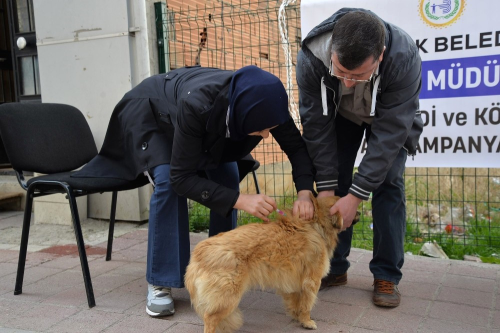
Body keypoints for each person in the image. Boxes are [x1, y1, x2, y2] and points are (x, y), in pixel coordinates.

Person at [74, 65, 315, 316]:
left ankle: (221, 267)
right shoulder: (199, 105)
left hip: (197, 121)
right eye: (260, 130)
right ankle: (161, 282)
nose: (266, 136)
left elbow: (297, 149)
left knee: (227, 177)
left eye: (269, 129)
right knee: (168, 183)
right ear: (243, 116)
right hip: (154, 117)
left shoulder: (265, 105)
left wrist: (305, 192)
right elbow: (181, 177)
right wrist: (239, 200)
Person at [296, 8, 423, 307]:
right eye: (341, 73)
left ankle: (387, 275)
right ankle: (334, 268)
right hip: (342, 116)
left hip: (386, 115)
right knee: (334, 179)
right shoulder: (313, 56)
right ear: (333, 51)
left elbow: (390, 133)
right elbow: (316, 123)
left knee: (389, 183)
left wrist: (356, 196)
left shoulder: (403, 58)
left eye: (358, 75)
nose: (349, 83)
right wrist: (327, 192)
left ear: (380, 55)